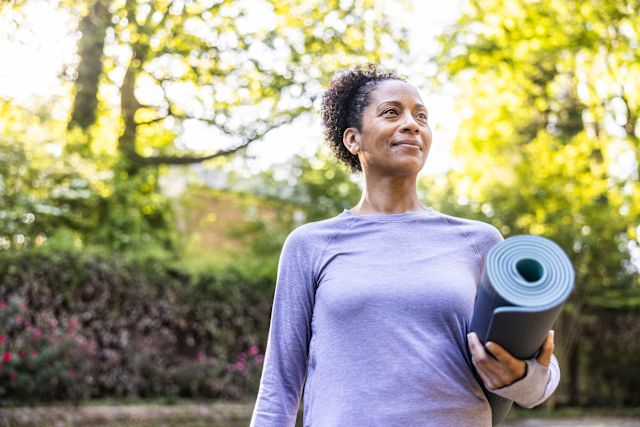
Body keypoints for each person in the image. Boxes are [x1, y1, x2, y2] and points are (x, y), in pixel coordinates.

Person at [250, 65, 560, 426]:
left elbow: (539, 381)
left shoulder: (479, 242)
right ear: (353, 139)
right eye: (391, 113)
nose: (412, 124)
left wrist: (518, 377)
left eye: (422, 116)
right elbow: (279, 387)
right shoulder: (311, 245)